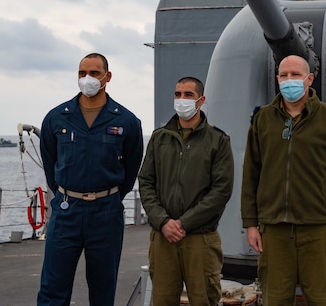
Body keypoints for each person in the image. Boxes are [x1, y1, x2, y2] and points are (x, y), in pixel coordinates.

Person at [241, 55, 326, 306]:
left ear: (309, 79)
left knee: (324, 299)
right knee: (275, 300)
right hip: (273, 231)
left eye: (295, 75)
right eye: (284, 75)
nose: (289, 80)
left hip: (318, 231)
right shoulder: (262, 119)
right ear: (277, 79)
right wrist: (250, 224)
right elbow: (251, 174)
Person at [37, 53, 144, 306]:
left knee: (103, 289)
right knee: (52, 288)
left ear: (107, 77)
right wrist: (67, 193)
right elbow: (50, 165)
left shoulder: (126, 121)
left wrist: (108, 196)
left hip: (106, 213)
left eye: (94, 73)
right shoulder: (56, 118)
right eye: (82, 73)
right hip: (66, 211)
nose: (87, 78)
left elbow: (131, 169)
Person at [138, 76, 234, 306]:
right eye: (178, 94)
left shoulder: (218, 141)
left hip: (200, 239)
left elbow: (221, 191)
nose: (182, 100)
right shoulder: (160, 138)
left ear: (200, 100)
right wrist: (163, 221)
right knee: (161, 300)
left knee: (204, 300)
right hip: (163, 239)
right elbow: (146, 182)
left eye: (188, 95)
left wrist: (184, 223)